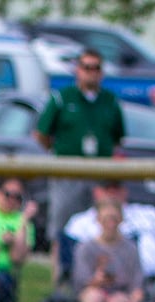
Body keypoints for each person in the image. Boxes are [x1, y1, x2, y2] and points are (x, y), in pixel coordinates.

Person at [34, 48, 124, 272]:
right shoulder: (63, 98)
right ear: (78, 70)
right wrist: (58, 151)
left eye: (96, 68)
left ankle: (95, 278)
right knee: (62, 229)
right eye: (86, 67)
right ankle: (59, 280)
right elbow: (41, 134)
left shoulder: (110, 101)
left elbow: (118, 139)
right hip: (68, 175)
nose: (91, 73)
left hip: (99, 178)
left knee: (97, 229)